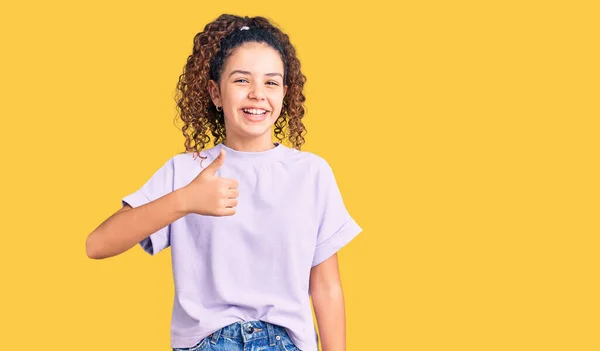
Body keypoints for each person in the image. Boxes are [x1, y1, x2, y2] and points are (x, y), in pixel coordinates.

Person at [86, 14, 362, 351]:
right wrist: (185, 200)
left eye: (271, 82)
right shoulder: (186, 171)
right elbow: (97, 245)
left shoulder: (312, 173)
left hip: (286, 342)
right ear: (216, 92)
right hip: (207, 343)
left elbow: (326, 288)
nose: (257, 94)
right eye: (242, 80)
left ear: (285, 94)